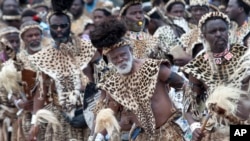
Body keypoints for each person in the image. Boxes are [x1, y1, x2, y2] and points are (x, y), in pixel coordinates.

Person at [90, 16, 185, 141]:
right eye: (114, 58)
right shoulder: (113, 83)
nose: (120, 60)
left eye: (122, 54)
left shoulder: (152, 67)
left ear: (130, 50)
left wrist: (192, 122)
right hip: (142, 136)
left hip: (169, 134)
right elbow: (108, 114)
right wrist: (98, 137)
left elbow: (184, 85)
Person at [28, 0, 97, 140]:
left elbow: (103, 80)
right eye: (54, 26)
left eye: (63, 26)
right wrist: (34, 122)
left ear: (70, 25)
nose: (59, 29)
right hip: (60, 116)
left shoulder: (88, 49)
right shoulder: (43, 57)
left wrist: (97, 111)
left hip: (90, 112)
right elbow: (40, 93)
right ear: (49, 27)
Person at [181, 11, 248, 141]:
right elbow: (189, 107)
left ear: (228, 31)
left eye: (222, 30)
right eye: (213, 32)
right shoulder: (198, 66)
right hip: (218, 128)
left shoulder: (245, 56)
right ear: (204, 36)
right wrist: (194, 127)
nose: (218, 34)